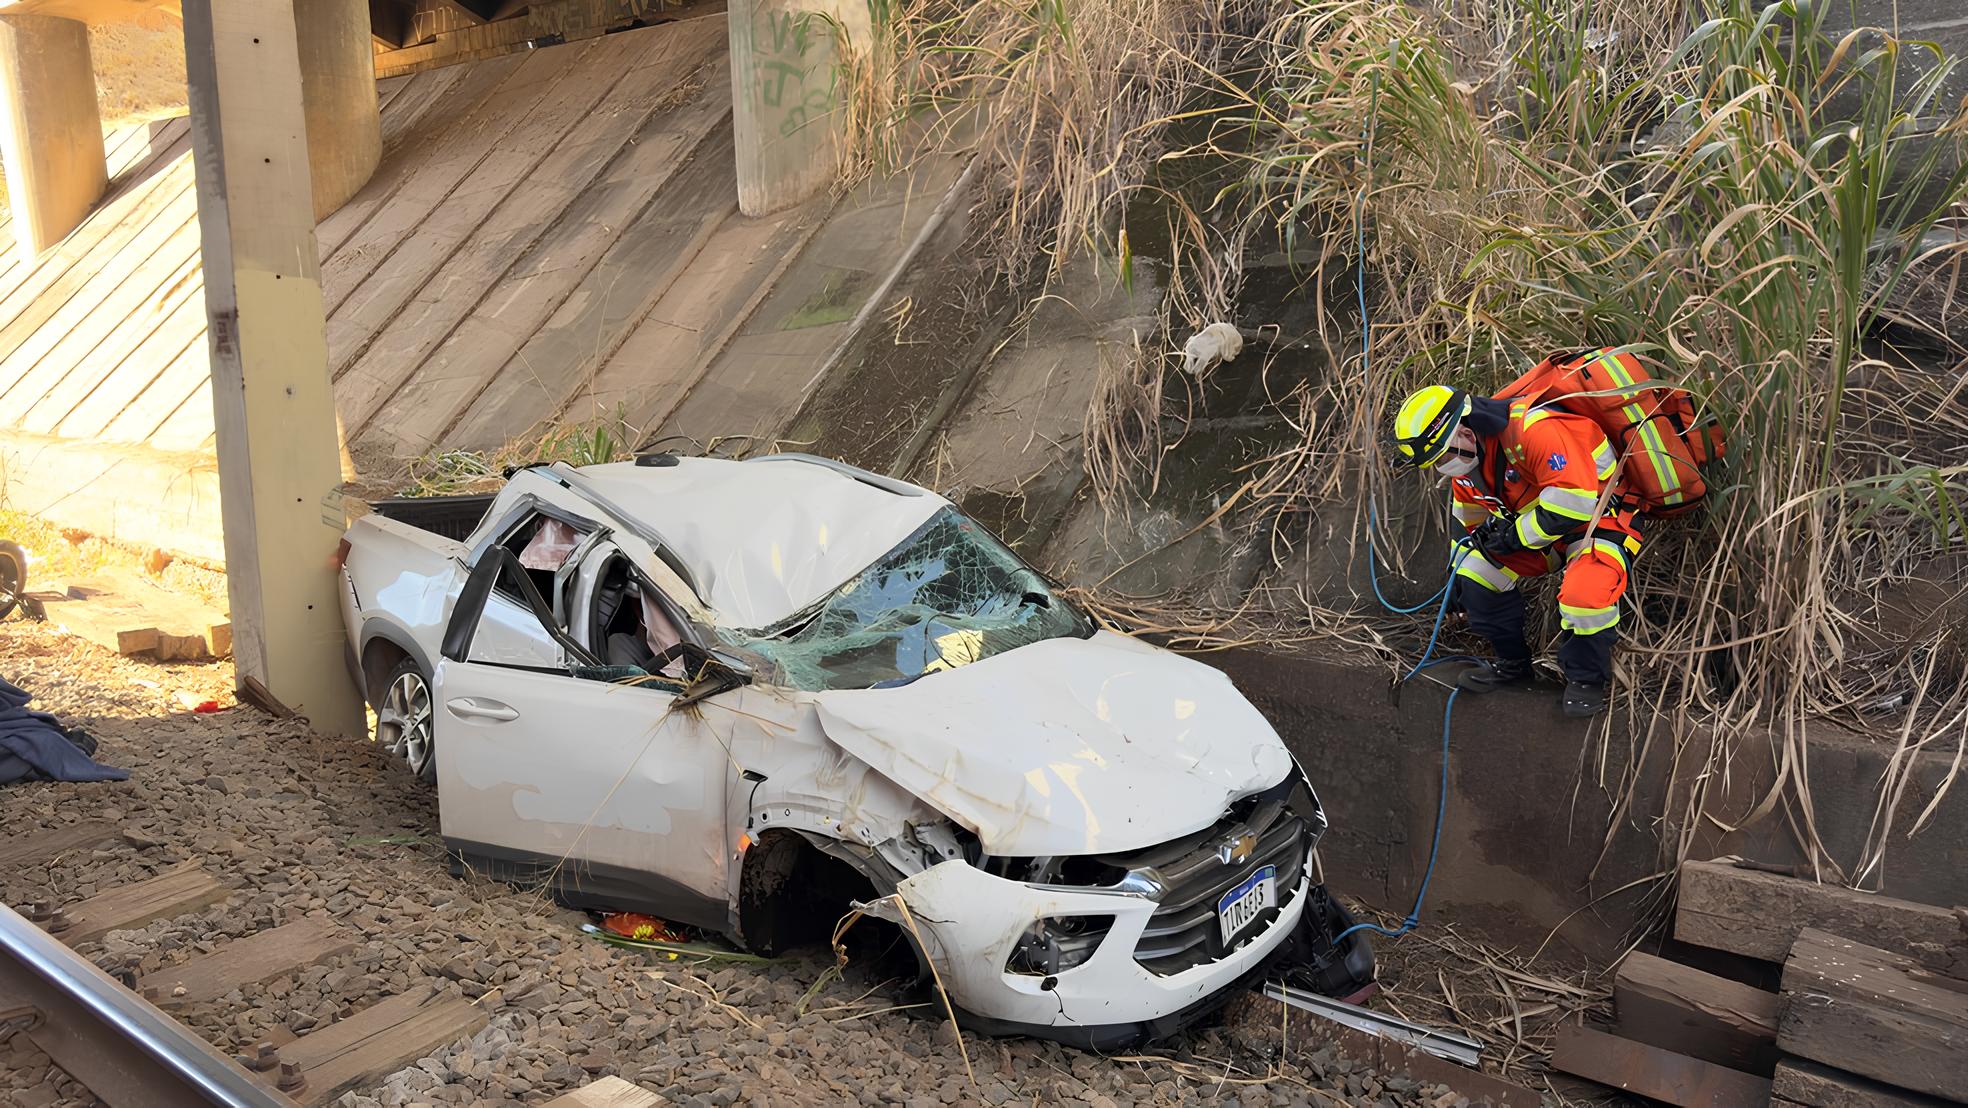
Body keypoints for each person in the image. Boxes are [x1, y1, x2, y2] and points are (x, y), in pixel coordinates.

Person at [1390, 383, 1642, 717]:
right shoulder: (1469, 458)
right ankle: (1513, 664)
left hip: (1598, 524)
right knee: (1474, 575)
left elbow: (1573, 505)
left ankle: (1586, 681)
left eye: (1443, 456)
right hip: (1539, 536)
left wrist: (1513, 537)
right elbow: (1468, 521)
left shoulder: (1535, 431)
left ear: (1465, 431)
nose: (1443, 467)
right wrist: (1454, 575)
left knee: (1584, 598)